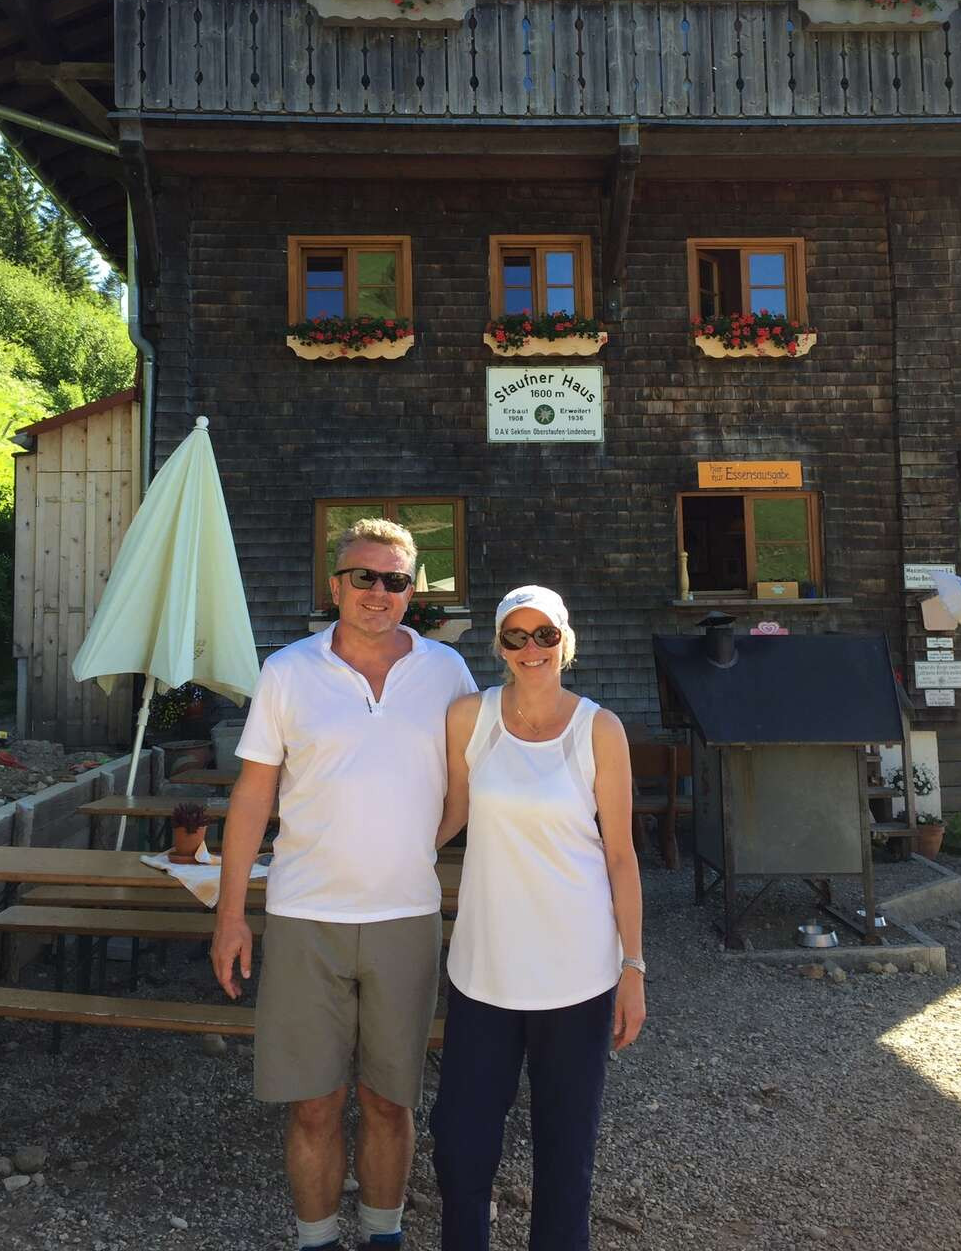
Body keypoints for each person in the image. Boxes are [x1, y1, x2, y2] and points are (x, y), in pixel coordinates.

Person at [211, 518, 477, 1251]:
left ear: (411, 590)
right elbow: (251, 799)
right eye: (364, 577)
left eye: (395, 580)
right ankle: (316, 1238)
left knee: (390, 1101)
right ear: (335, 586)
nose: (379, 592)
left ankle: (384, 1235)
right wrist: (231, 915)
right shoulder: (288, 671)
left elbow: (464, 789)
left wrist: (411, 848)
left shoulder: (447, 674)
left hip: (405, 917)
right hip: (304, 916)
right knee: (314, 1105)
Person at [431, 585, 646, 1251]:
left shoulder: (599, 729)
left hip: (575, 977)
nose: (531, 649)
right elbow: (449, 816)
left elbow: (620, 856)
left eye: (544, 635)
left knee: (565, 1155)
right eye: (516, 637)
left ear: (565, 641)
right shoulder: (470, 719)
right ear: (499, 646)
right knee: (461, 1147)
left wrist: (633, 966)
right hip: (484, 972)